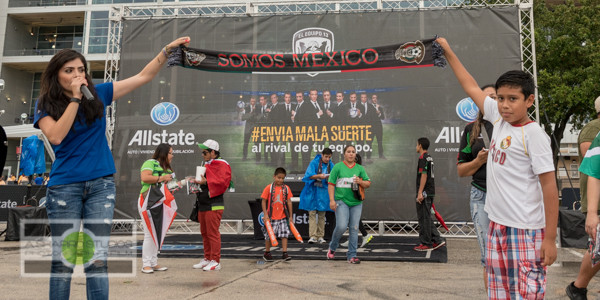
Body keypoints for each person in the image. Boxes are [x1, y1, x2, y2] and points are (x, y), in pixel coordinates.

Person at [34, 36, 190, 299]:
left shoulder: (99, 94)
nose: (77, 75)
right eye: (69, 70)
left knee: (97, 259)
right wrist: (74, 99)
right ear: (56, 75)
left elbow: (143, 77)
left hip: (101, 186)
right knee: (64, 260)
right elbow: (57, 136)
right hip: (64, 188)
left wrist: (165, 50)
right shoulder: (45, 105)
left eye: (81, 69)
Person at [437, 37, 558, 299]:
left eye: (513, 99)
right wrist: (447, 51)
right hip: (497, 226)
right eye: (500, 98)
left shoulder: (534, 134)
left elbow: (549, 187)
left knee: (527, 295)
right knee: (498, 294)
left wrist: (549, 239)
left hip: (526, 231)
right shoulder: (497, 118)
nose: (504, 104)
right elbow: (469, 84)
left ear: (529, 101)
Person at [456, 84, 496, 289]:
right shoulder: (471, 130)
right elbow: (462, 170)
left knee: (510, 255)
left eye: (495, 97)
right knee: (488, 258)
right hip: (481, 195)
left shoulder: (509, 127)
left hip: (508, 198)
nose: (491, 102)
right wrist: (479, 161)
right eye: (486, 97)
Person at [566, 96, 600, 299]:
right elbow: (593, 165)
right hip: (596, 198)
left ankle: (578, 287)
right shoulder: (592, 128)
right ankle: (578, 286)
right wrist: (593, 212)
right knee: (597, 247)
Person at [191, 139, 232, 271]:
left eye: (204, 152)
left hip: (214, 204)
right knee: (204, 233)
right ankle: (207, 258)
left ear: (213, 152)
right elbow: (206, 181)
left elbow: (222, 183)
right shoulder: (208, 164)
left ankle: (216, 261)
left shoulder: (222, 164)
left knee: (212, 233)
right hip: (203, 202)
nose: (202, 155)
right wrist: (194, 182)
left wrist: (205, 182)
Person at [327, 145, 371, 264]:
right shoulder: (338, 167)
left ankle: (352, 255)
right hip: (341, 201)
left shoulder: (360, 168)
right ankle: (332, 247)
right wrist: (332, 200)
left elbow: (368, 183)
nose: (351, 154)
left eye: (353, 152)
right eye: (349, 152)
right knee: (341, 226)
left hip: (356, 203)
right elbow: (331, 184)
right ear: (344, 154)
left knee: (354, 228)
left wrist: (360, 181)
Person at [138, 143, 174, 274]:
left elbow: (168, 186)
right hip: (148, 199)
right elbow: (145, 177)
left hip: (160, 202)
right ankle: (146, 264)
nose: (172, 155)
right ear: (163, 153)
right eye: (170, 153)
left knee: (156, 232)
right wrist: (161, 178)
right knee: (149, 232)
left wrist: (180, 183)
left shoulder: (167, 169)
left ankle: (153, 262)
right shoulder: (151, 162)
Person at [414, 137, 446, 251]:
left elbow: (424, 175)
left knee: (424, 218)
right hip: (429, 191)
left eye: (417, 145)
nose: (416, 147)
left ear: (420, 146)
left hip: (425, 192)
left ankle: (426, 243)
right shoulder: (429, 157)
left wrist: (420, 192)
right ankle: (437, 240)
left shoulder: (423, 157)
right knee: (426, 217)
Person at [339, 154, 374, 248]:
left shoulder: (357, 170)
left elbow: (366, 183)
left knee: (353, 219)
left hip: (354, 197)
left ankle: (365, 235)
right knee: (353, 219)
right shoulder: (353, 169)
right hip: (352, 197)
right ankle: (357, 237)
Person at [300, 148, 334, 244]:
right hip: (312, 192)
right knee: (312, 214)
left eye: (329, 157)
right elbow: (308, 176)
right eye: (326, 157)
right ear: (322, 155)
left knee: (322, 215)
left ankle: (320, 236)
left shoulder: (331, 165)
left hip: (323, 193)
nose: (327, 159)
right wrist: (319, 176)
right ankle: (313, 236)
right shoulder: (314, 163)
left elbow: (335, 176)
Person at [261, 167, 294, 261]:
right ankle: (267, 253)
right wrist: (265, 215)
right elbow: (263, 201)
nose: (280, 180)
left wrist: (290, 216)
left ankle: (285, 253)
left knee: (284, 235)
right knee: (269, 236)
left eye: (283, 178)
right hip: (271, 217)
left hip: (283, 217)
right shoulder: (269, 188)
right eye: (279, 177)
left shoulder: (286, 188)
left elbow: (289, 202)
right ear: (274, 177)